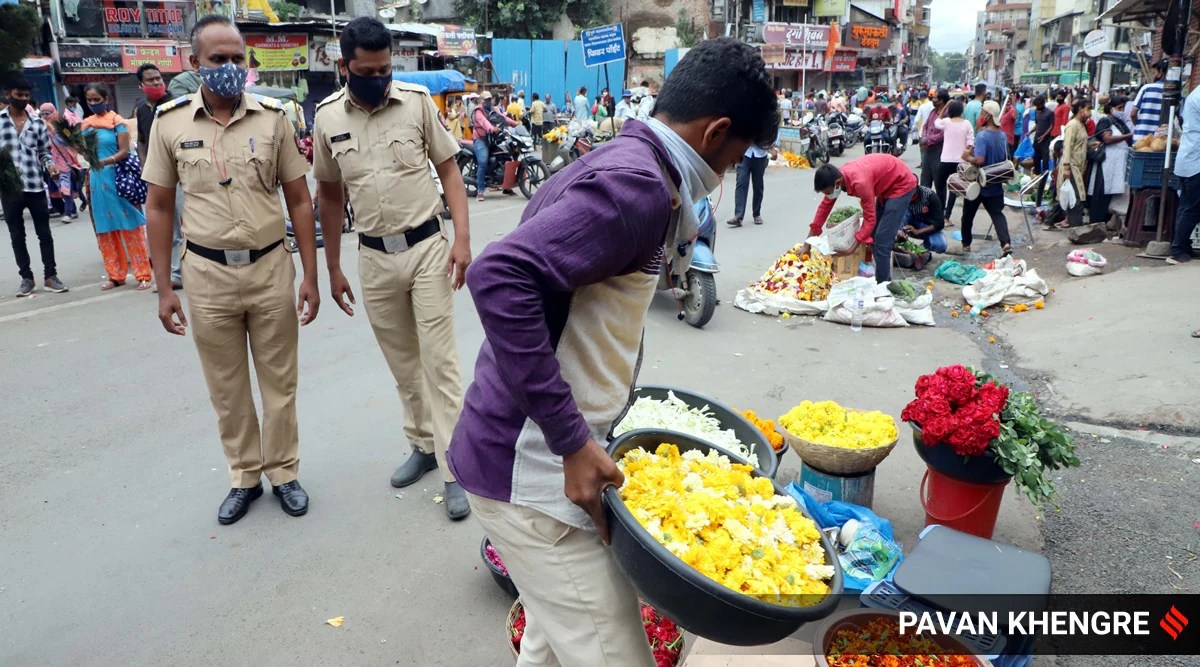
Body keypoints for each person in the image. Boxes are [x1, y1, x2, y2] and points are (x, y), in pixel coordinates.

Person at [448, 37, 777, 666]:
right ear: (717, 132)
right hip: (530, 471)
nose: (730, 173)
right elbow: (499, 276)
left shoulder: (637, 162)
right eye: (737, 159)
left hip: (544, 460)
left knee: (551, 641)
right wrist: (573, 442)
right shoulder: (639, 186)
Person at [143, 13, 320, 525]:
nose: (229, 67)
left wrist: (310, 275)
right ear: (194, 63)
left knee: (279, 383)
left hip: (269, 269)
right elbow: (158, 206)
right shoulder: (171, 122)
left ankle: (283, 471)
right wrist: (162, 288)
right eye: (218, 59)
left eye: (237, 58)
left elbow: (300, 200)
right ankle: (244, 477)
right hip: (206, 275)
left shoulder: (273, 118)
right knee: (227, 386)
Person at [311, 17, 473, 519]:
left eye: (385, 69)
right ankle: (423, 446)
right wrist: (332, 268)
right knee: (403, 363)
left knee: (440, 363)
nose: (379, 78)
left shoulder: (417, 102)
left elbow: (449, 168)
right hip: (374, 259)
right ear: (345, 67)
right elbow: (331, 194)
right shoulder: (326, 119)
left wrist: (462, 239)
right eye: (368, 70)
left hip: (427, 247)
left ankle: (456, 468)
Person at [79, 84, 153, 290]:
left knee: (130, 225)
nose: (93, 104)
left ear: (106, 98)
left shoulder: (117, 122)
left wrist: (106, 161)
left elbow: (124, 152)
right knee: (104, 228)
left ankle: (143, 274)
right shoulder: (85, 125)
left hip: (117, 177)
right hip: (95, 180)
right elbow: (86, 152)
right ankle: (115, 275)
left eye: (96, 99)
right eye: (89, 100)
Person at [803, 154, 918, 284]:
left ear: (837, 183)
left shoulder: (860, 183)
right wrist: (807, 245)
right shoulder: (837, 177)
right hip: (885, 184)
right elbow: (824, 208)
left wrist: (851, 248)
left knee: (881, 244)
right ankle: (880, 277)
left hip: (901, 184)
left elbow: (870, 219)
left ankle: (883, 289)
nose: (829, 196)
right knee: (874, 237)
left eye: (828, 193)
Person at [1, 78, 67, 297]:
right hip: (10, 190)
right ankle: (26, 278)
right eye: (18, 95)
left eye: (26, 95)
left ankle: (51, 275)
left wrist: (51, 166)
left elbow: (44, 152)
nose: (23, 99)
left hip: (35, 186)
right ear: (7, 93)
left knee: (44, 234)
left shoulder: (37, 123)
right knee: (17, 236)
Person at [959, 101, 1012, 257]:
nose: (980, 116)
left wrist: (968, 157)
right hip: (996, 181)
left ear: (988, 116)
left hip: (979, 184)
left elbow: (980, 160)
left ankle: (966, 244)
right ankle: (1006, 243)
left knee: (967, 215)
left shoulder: (982, 136)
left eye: (982, 113)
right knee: (997, 214)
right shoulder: (1002, 135)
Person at [1088, 96, 1133, 228]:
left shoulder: (1120, 122)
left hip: (1116, 164)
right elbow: (1107, 139)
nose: (1122, 111)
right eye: (1120, 108)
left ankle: (1106, 223)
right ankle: (1096, 224)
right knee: (1101, 194)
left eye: (1123, 108)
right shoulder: (1105, 120)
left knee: (1111, 195)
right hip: (1106, 163)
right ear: (1112, 108)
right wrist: (1128, 136)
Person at [1168, 84, 1200, 266]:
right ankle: (1178, 249)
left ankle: (1182, 246)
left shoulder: (1194, 94)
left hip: (1188, 158)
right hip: (1195, 161)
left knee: (1186, 206)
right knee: (1193, 209)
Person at [470, 91, 518, 202]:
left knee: (507, 156)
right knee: (483, 161)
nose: (487, 101)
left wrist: (515, 124)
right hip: (481, 139)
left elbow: (503, 118)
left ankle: (506, 187)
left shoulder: (494, 109)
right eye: (485, 99)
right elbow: (484, 123)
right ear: (481, 100)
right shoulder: (478, 111)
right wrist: (492, 129)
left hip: (494, 138)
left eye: (489, 99)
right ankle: (480, 191)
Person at [934, 100, 974, 224]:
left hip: (945, 160)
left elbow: (936, 122)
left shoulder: (946, 122)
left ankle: (940, 214)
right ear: (962, 111)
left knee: (940, 187)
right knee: (954, 188)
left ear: (950, 111)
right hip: (960, 161)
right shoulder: (967, 124)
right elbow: (970, 144)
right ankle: (947, 217)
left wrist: (945, 106)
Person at [1054, 99, 1091, 229]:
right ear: (1081, 109)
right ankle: (1075, 227)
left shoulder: (1081, 125)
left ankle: (1072, 224)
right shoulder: (1073, 125)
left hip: (1078, 166)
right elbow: (1067, 147)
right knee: (1076, 199)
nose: (1089, 112)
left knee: (1075, 197)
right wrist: (1066, 168)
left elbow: (1078, 144)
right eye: (1088, 109)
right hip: (1071, 166)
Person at [41, 104, 79, 222]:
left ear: (53, 112)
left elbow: (71, 139)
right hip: (51, 164)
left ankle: (68, 213)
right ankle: (72, 209)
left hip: (65, 161)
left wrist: (53, 131)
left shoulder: (62, 125)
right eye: (42, 114)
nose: (45, 116)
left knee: (65, 187)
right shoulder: (41, 128)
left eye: (47, 113)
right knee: (60, 188)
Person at [133, 64, 169, 162]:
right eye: (150, 80)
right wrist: (144, 163)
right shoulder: (141, 108)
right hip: (154, 166)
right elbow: (141, 141)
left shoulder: (176, 103)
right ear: (141, 85)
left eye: (158, 78)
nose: (156, 82)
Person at [727, 144, 769, 227]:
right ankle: (738, 216)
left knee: (758, 185)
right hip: (745, 153)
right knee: (741, 183)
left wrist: (774, 147)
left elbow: (774, 133)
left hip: (760, 155)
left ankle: (756, 214)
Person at [900, 185, 947, 253]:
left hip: (926, 225)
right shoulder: (901, 195)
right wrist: (899, 230)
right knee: (903, 210)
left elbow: (939, 223)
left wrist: (918, 231)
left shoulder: (929, 195)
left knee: (941, 246)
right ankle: (900, 236)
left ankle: (924, 246)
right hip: (909, 223)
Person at [1131, 61, 1167, 141]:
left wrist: (1139, 126)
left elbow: (1133, 114)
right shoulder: (1174, 92)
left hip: (1141, 138)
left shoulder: (1146, 88)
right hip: (1161, 140)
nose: (1151, 75)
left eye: (1153, 73)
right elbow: (1180, 119)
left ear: (1160, 73)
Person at [920, 90, 949, 189]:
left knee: (939, 182)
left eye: (935, 98)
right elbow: (925, 126)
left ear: (941, 101)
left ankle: (940, 204)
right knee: (925, 180)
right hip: (929, 150)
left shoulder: (947, 114)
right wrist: (924, 136)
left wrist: (927, 140)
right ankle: (924, 203)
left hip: (939, 151)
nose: (933, 99)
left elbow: (943, 135)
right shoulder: (933, 112)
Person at [1031, 95, 1055, 205]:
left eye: (1038, 105)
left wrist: (1044, 136)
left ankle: (1044, 179)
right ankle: (1037, 177)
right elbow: (1037, 125)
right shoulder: (1037, 112)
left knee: (1045, 162)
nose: (1037, 107)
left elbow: (1051, 126)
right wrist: (1030, 132)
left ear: (1043, 104)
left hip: (1045, 141)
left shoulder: (1049, 113)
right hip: (1037, 139)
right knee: (1035, 158)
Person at [1000, 92, 1018, 157]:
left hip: (1008, 141)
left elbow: (1015, 116)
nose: (1007, 103)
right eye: (1006, 101)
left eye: (1009, 101)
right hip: (1001, 141)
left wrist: (1014, 104)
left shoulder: (1011, 111)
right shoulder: (1002, 112)